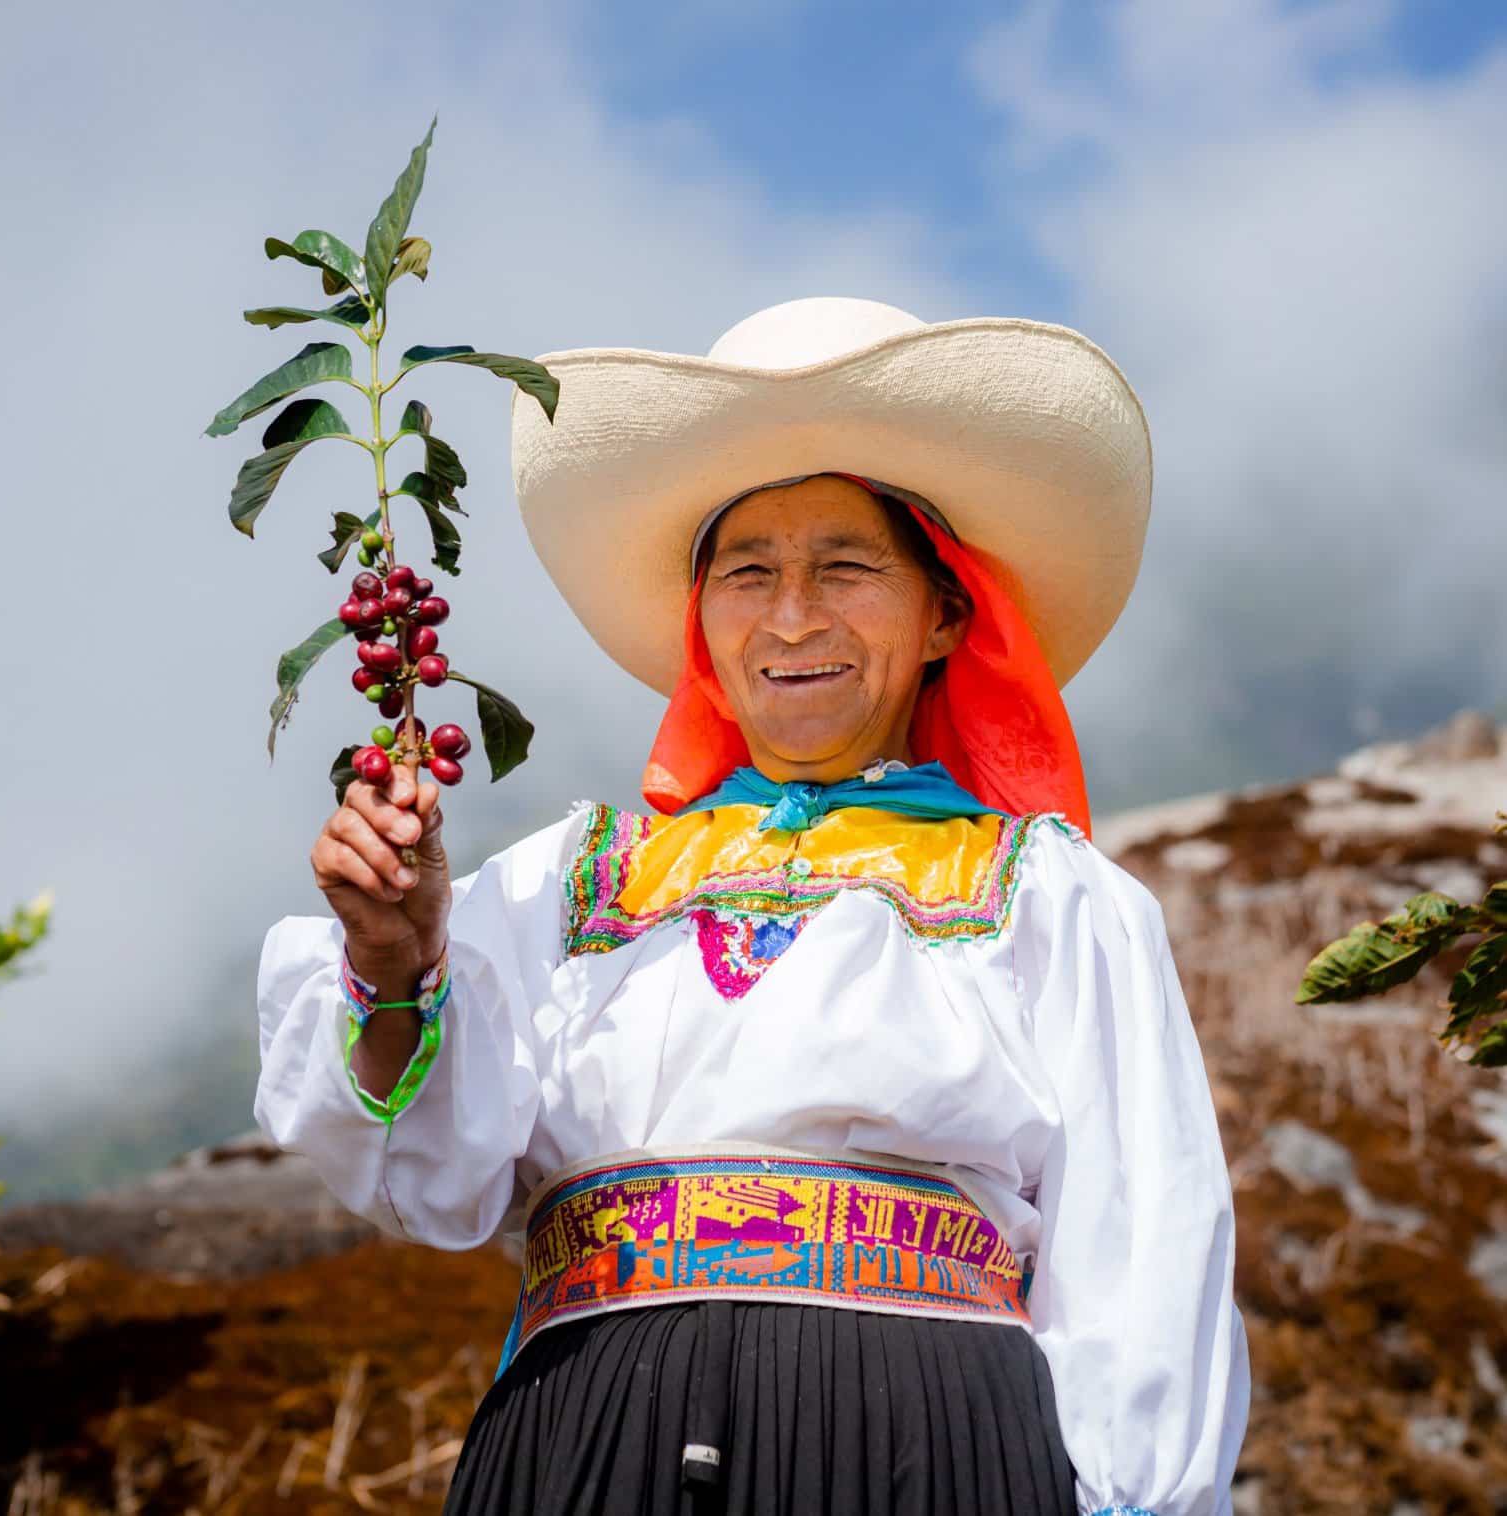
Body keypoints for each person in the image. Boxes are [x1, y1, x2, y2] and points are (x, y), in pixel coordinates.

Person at [255, 297, 1251, 1516]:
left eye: (845, 565)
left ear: (946, 613)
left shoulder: (1049, 896)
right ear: (701, 619)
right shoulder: (563, 883)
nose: (791, 617)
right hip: (591, 1433)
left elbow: (1145, 1249)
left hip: (925, 1448)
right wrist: (396, 959)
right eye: (748, 572)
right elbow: (424, 1176)